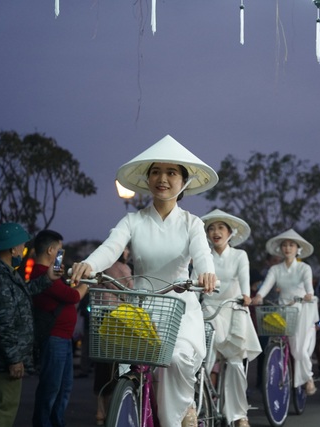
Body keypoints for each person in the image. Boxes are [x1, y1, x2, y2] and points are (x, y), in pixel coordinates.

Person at [70, 134, 218, 427]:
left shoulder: (193, 224)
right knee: (127, 362)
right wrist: (88, 265)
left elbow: (202, 256)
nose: (162, 178)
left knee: (175, 358)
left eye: (171, 172)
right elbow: (110, 249)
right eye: (155, 171)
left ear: (184, 182)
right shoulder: (133, 221)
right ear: (148, 178)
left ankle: (182, 410)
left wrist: (207, 273)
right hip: (141, 304)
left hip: (179, 304)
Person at [0, 222, 62, 427]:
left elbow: (21, 293)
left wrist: (47, 278)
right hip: (0, 361)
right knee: (1, 410)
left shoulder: (2, 273)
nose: (23, 249)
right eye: (21, 245)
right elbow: (4, 322)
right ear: (12, 248)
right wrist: (14, 359)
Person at [197, 209, 261, 427]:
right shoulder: (203, 256)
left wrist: (246, 295)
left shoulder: (239, 255)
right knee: (202, 360)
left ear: (230, 232)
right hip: (209, 310)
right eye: (211, 228)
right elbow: (194, 282)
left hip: (234, 308)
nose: (215, 232)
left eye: (220, 228)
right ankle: (199, 406)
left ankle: (239, 414)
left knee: (235, 363)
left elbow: (244, 277)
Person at [31, 230, 89, 427]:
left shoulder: (50, 274)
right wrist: (88, 284)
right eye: (59, 250)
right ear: (50, 250)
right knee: (51, 388)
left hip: (63, 338)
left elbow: (66, 292)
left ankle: (57, 422)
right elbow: (73, 297)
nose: (60, 254)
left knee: (63, 387)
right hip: (54, 338)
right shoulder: (41, 274)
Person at [251, 229, 319, 395]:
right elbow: (266, 285)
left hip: (302, 308)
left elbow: (308, 286)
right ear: (280, 249)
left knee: (300, 350)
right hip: (282, 309)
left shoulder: (304, 268)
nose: (287, 248)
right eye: (284, 245)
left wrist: (309, 294)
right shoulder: (275, 269)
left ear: (298, 248)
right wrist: (259, 296)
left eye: (291, 245)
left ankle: (308, 377)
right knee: (275, 340)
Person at [93, 247, 134, 426]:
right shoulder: (120, 267)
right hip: (116, 318)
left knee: (103, 366)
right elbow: (130, 291)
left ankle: (100, 412)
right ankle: (109, 412)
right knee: (115, 368)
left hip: (100, 317)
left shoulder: (101, 266)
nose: (128, 253)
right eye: (126, 250)